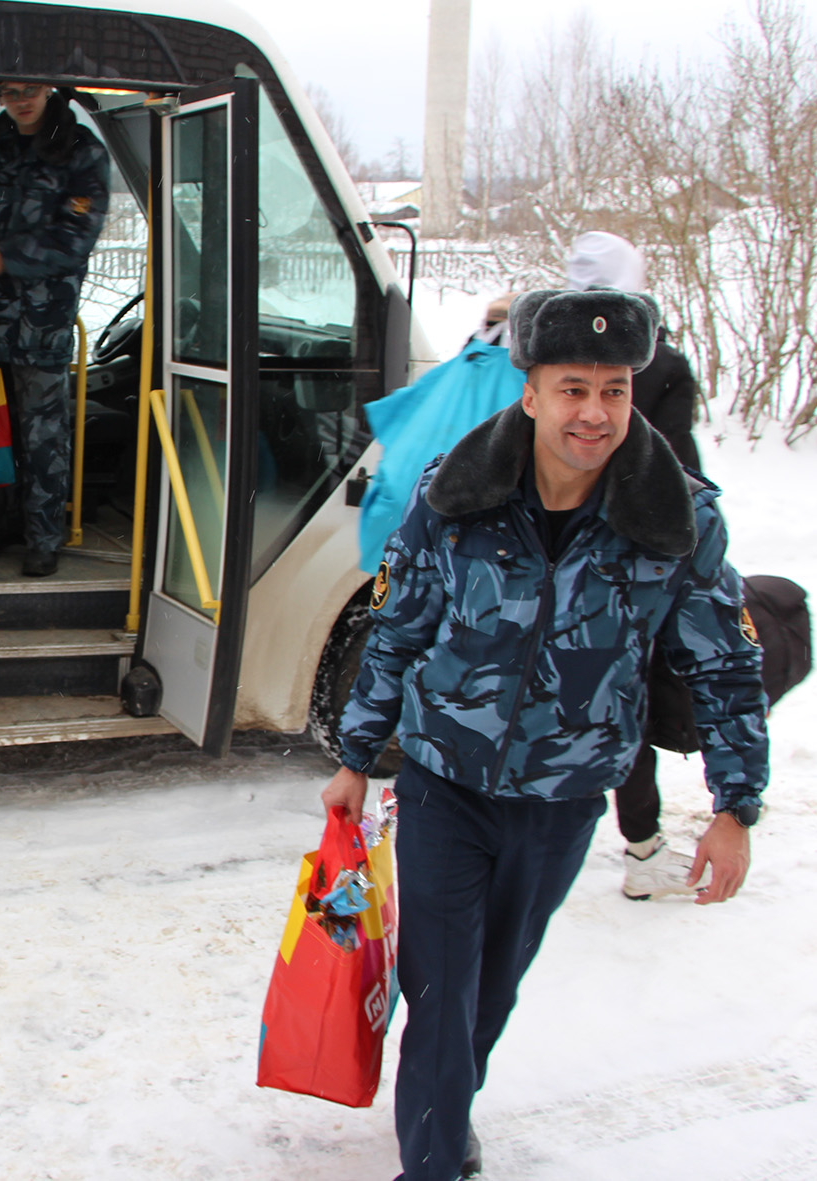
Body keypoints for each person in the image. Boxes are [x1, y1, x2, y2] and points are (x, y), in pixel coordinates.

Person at [324, 288, 768, 1180]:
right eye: (573, 388)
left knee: (489, 990)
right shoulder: (457, 491)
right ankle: (435, 1159)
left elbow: (725, 664)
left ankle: (447, 1109)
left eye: (614, 390)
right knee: (440, 990)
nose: (594, 413)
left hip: (564, 799)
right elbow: (397, 626)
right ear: (530, 393)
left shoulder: (676, 518)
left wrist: (736, 805)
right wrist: (355, 757)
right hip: (445, 782)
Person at [565, 230, 709, 898]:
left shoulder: (540, 353)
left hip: (548, 553)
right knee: (628, 700)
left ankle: (535, 824)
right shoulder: (662, 364)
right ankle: (644, 851)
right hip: (634, 563)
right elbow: (679, 474)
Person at [0, 81, 110, 576]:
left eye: (30, 88)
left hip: (43, 322)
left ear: (49, 88)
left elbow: (74, 237)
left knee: (43, 437)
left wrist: (2, 257)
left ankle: (43, 540)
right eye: (9, 90)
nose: (21, 99)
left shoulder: (82, 153)